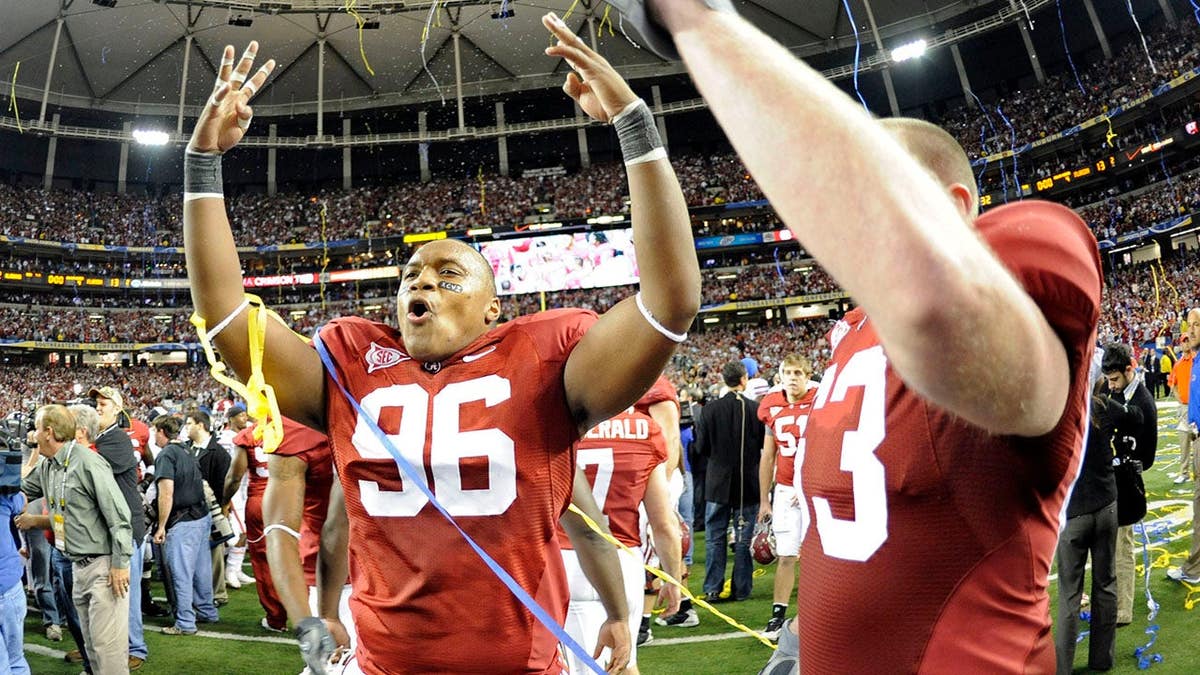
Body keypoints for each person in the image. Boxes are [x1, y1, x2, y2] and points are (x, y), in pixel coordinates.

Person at [180, 19, 699, 673]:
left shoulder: (543, 359)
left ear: (492, 307)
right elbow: (227, 320)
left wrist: (633, 124)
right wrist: (202, 165)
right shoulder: (352, 366)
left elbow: (670, 301)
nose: (422, 282)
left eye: (448, 274)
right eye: (410, 277)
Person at [604, 3, 1102, 672]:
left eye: (868, 172)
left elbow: (933, 300)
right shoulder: (850, 338)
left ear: (951, 206)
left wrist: (695, 19)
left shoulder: (1033, 242)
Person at [562, 409, 682, 673]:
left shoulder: (561, 422)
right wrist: (673, 577)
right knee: (625, 664)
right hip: (625, 562)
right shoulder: (645, 429)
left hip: (570, 558)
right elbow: (663, 523)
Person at [19, 404, 133, 675]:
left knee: (108, 651)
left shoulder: (89, 462)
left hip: (104, 566)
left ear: (48, 432)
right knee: (92, 647)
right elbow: (21, 489)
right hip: (77, 565)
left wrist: (120, 563)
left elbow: (120, 516)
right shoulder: (49, 464)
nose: (33, 435)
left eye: (37, 428)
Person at [1055, 374, 1119, 673]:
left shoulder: (1058, 415)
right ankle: (1102, 660)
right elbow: (1139, 416)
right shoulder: (1104, 407)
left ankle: (1063, 668)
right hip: (1105, 507)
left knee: (1069, 595)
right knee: (1105, 584)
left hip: (1074, 515)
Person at [754, 354, 816, 639]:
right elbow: (768, 456)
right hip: (786, 488)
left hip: (815, 488)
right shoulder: (771, 405)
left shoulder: (820, 399)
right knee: (786, 554)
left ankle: (819, 613)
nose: (791, 378)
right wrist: (765, 499)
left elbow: (830, 446)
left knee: (820, 556)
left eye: (797, 373)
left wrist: (810, 484)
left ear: (807, 375)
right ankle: (778, 615)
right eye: (786, 372)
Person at [89, 386, 149, 670]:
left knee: (126, 592)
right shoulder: (102, 438)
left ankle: (135, 646)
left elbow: (88, 470)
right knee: (107, 595)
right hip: (109, 529)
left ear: (117, 409)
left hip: (126, 529)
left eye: (104, 403)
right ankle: (96, 643)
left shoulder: (117, 439)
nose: (98, 407)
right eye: (96, 403)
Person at [694, 361, 764, 603]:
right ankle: (742, 589)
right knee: (744, 538)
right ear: (744, 379)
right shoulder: (755, 409)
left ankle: (713, 588)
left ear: (724, 379)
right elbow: (763, 448)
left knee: (715, 536)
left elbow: (701, 447)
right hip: (748, 483)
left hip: (718, 484)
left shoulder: (710, 410)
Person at [1100, 343, 1158, 628]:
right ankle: (1110, 600)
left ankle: (1123, 609)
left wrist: (1126, 462)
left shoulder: (1144, 401)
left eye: (1115, 379)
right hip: (1108, 483)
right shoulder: (1114, 392)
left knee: (1123, 546)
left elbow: (1148, 456)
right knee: (1107, 547)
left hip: (1126, 486)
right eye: (1108, 380)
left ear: (1129, 370)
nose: (1111, 386)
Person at [151, 415, 220, 636]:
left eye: (155, 431)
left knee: (181, 573)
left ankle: (185, 622)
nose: (154, 436)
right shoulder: (187, 450)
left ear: (162, 431)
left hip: (183, 521)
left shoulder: (166, 455)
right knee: (201, 570)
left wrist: (161, 526)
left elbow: (166, 493)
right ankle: (207, 611)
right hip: (201, 516)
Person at [227, 412, 286, 631]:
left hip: (260, 501)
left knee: (264, 561)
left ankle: (276, 618)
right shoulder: (294, 430)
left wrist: (224, 503)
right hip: (294, 499)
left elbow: (234, 477)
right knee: (302, 558)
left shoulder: (249, 435)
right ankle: (310, 615)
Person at [185, 411, 232, 607]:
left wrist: (221, 511)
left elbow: (223, 487)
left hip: (210, 510)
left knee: (214, 552)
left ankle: (218, 593)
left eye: (189, 423)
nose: (186, 427)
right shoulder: (186, 449)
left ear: (201, 425)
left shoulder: (220, 454)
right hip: (188, 510)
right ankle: (200, 591)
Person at [1169, 309, 1200, 583]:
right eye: (1189, 325)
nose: (1190, 331)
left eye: (1196, 325)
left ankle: (1194, 569)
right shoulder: (1193, 360)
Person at [1, 425, 30, 675]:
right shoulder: (6, 496)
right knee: (16, 659)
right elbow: (22, 502)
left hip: (8, 585)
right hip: (11, 585)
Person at [218, 404, 255, 589]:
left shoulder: (247, 433)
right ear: (231, 418)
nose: (244, 418)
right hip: (234, 487)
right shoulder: (226, 438)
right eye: (240, 415)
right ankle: (230, 571)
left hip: (247, 485)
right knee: (241, 530)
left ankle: (236, 568)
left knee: (246, 529)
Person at [1169, 331, 1196, 483]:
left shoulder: (1197, 361)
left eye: (1188, 340)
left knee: (1197, 442)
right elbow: (1173, 384)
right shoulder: (1178, 364)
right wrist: (1179, 398)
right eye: (1184, 341)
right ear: (1180, 344)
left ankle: (1196, 473)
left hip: (1196, 406)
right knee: (1183, 441)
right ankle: (1184, 472)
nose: (1186, 343)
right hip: (1184, 407)